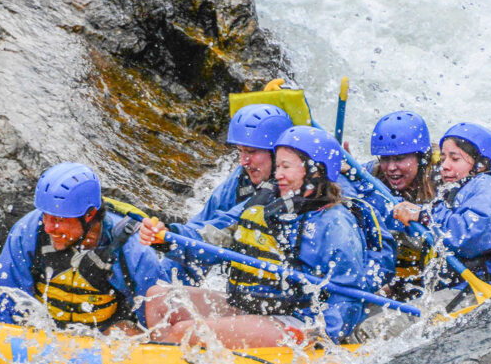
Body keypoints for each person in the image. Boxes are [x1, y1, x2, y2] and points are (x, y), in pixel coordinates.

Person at [139, 126, 369, 348]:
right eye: (277, 166)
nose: (277, 175)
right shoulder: (268, 202)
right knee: (156, 299)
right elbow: (212, 234)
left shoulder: (336, 223)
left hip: (298, 322)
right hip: (255, 305)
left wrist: (318, 336)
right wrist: (169, 236)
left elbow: (347, 297)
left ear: (315, 171)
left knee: (184, 332)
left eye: (286, 167)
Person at [0, 162, 173, 331]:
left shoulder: (132, 248)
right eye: (45, 216)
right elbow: (2, 300)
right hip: (43, 329)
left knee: (126, 330)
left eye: (59, 220)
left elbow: (159, 322)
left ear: (89, 215)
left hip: (106, 335)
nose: (49, 228)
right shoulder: (28, 231)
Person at [394, 122, 491, 292]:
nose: (444, 166)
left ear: (481, 165)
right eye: (443, 159)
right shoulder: (457, 190)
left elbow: (471, 237)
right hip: (459, 285)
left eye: (455, 158)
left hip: (484, 287)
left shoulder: (489, 185)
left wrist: (424, 215)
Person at [356, 111, 439, 299]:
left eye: (399, 158)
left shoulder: (444, 184)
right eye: (385, 158)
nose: (391, 168)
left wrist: (396, 288)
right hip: (393, 282)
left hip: (430, 285)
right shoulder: (370, 176)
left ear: (421, 157)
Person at [187, 104, 293, 229]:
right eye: (240, 151)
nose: (244, 162)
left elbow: (225, 223)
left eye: (251, 151)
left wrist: (175, 232)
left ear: (277, 154)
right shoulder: (240, 176)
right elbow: (202, 219)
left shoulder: (288, 188)